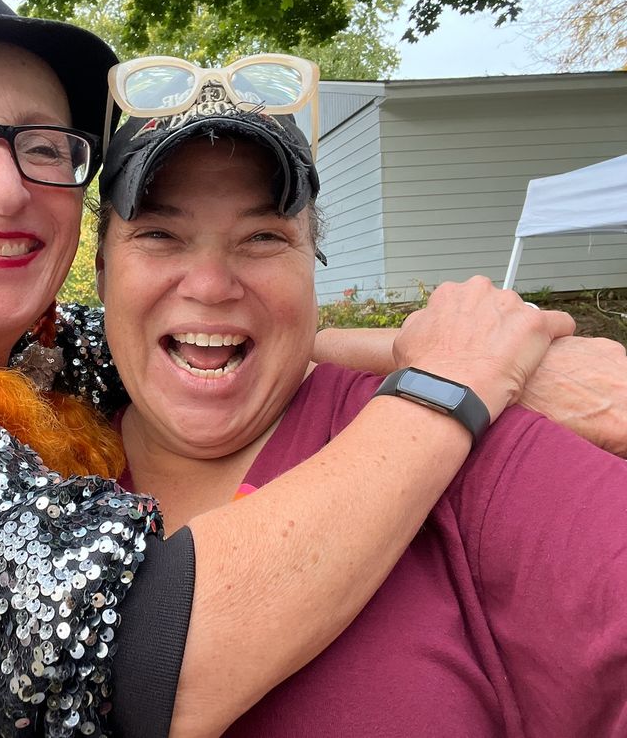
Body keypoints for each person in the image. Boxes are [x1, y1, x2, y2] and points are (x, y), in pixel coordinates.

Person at [0, 0, 597, 736]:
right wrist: (445, 390)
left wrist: (488, 351)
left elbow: (222, 331)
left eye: (44, 146)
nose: (4, 183)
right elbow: (131, 658)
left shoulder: (48, 359)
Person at [93, 63, 627, 736]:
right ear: (104, 273)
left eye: (263, 237)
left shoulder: (477, 448)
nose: (209, 283)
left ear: (313, 266)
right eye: (160, 235)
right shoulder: (27, 486)